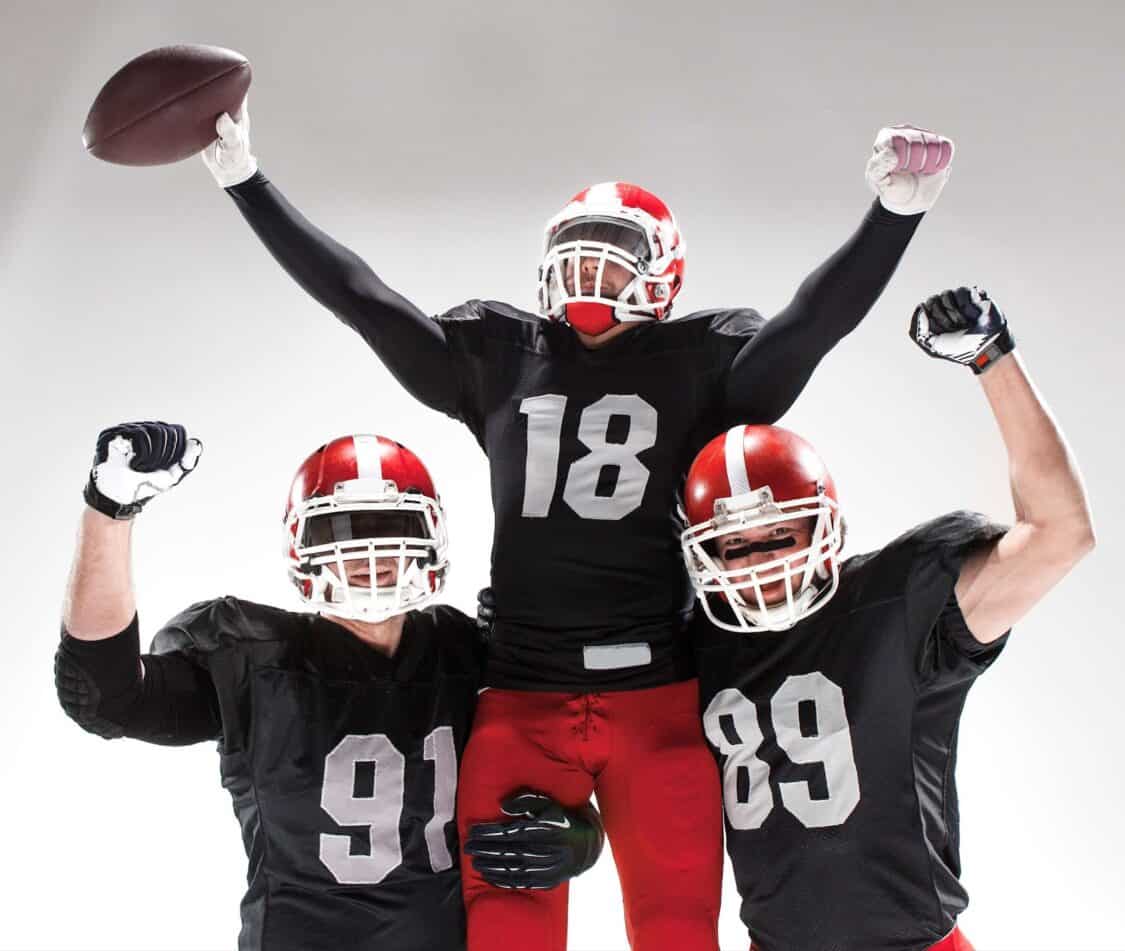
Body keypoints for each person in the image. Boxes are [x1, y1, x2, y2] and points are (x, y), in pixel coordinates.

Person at [199, 105, 952, 950]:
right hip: (522, 689)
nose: (593, 266)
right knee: (507, 929)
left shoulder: (704, 364)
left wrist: (894, 215)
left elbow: (813, 323)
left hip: (658, 699)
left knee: (676, 933)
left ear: (665, 272)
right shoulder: (501, 354)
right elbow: (365, 301)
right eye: (582, 242)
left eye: (618, 247)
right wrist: (246, 183)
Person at [55, 424, 602, 951]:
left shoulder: (466, 649)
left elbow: (570, 755)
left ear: (429, 534)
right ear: (300, 544)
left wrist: (582, 836)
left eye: (390, 531)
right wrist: (110, 510)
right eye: (344, 531)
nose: (368, 555)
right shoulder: (252, 657)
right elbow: (103, 696)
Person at [679, 287, 1095, 951]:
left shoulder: (894, 600)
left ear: (822, 526)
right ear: (702, 553)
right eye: (735, 545)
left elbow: (1059, 532)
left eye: (777, 535)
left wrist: (993, 359)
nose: (757, 561)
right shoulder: (697, 643)